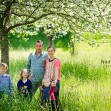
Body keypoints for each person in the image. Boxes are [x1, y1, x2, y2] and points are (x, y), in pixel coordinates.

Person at [44, 46, 60, 110]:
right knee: (49, 97)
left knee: (55, 97)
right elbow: (46, 71)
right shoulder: (47, 60)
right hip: (47, 81)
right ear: (47, 52)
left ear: (54, 51)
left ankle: (57, 109)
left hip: (55, 81)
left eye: (52, 51)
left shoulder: (56, 61)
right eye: (49, 51)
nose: (50, 52)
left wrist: (55, 81)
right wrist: (44, 81)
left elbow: (56, 71)